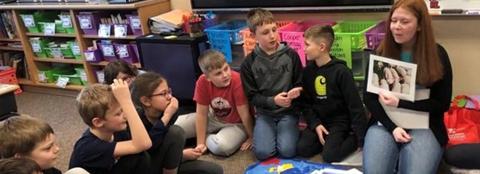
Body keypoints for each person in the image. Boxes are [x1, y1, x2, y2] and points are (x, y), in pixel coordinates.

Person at [362, 0, 453, 173]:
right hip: (386, 123)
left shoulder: (437, 55)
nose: (397, 26)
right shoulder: (381, 52)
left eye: (405, 22)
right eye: (394, 21)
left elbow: (442, 104)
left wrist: (401, 103)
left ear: (419, 25)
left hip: (425, 125)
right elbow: (369, 98)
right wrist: (393, 127)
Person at [296, 25, 367, 162]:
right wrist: (315, 124)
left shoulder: (341, 71)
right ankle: (328, 141)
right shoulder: (307, 71)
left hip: (339, 122)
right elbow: (306, 103)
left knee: (330, 156)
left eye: (307, 45)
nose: (304, 49)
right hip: (320, 120)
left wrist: (361, 138)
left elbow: (355, 106)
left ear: (322, 47)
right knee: (302, 149)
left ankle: (350, 138)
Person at [241, 8, 303, 160]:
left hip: (288, 113)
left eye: (274, 30)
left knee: (287, 151)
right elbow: (252, 96)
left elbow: (300, 82)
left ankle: (287, 131)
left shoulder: (291, 55)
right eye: (265, 32)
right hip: (265, 114)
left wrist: (297, 90)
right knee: (262, 153)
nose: (272, 36)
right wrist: (273, 101)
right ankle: (271, 133)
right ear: (253, 36)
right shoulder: (248, 64)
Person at [130, 72, 223, 174]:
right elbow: (149, 146)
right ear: (146, 101)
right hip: (145, 167)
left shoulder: (168, 111)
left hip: (165, 164)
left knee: (214, 170)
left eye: (169, 91)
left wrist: (181, 155)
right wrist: (166, 117)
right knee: (176, 132)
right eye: (163, 94)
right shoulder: (136, 120)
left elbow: (165, 146)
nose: (169, 97)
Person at [174, 50, 254, 157]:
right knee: (176, 127)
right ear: (208, 77)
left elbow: (245, 115)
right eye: (218, 73)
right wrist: (200, 144)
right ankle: (207, 138)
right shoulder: (202, 82)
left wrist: (252, 137)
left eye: (226, 69)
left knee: (220, 147)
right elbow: (201, 114)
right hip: (213, 118)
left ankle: (209, 137)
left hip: (236, 124)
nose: (225, 75)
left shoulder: (237, 80)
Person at [69, 80, 152, 174]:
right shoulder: (88, 147)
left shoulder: (115, 130)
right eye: (118, 113)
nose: (125, 115)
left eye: (123, 110)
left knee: (139, 157)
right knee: (139, 156)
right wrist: (126, 101)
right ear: (98, 122)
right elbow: (144, 144)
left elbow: (142, 145)